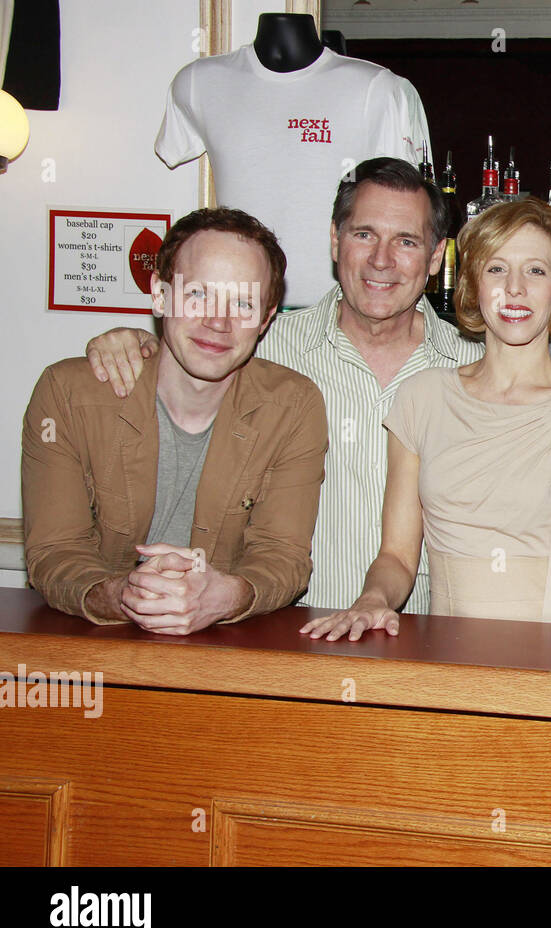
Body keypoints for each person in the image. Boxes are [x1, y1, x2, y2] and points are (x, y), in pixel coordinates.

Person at [84, 158, 485, 612]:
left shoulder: (478, 368)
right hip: (277, 635)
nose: (381, 259)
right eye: (364, 234)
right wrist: (136, 345)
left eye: (406, 241)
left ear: (435, 258)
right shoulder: (259, 347)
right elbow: (188, 354)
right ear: (335, 241)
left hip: (425, 646)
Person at [300, 198, 551, 640]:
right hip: (443, 665)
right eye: (496, 269)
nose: (515, 289)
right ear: (473, 284)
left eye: (535, 271)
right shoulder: (423, 397)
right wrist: (372, 600)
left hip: (543, 668)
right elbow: (398, 557)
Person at [22, 208, 328, 634]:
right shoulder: (68, 394)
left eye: (242, 303)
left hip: (225, 659)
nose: (217, 322)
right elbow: (55, 552)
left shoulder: (295, 406)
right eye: (198, 294)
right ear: (160, 295)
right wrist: (123, 594)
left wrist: (224, 595)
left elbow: (282, 555)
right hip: (91, 651)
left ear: (266, 318)